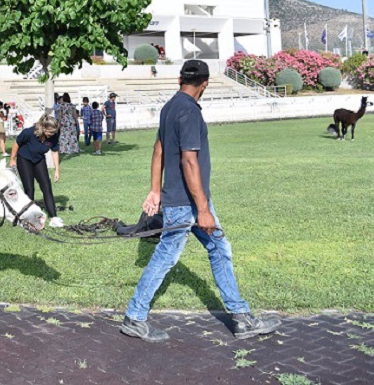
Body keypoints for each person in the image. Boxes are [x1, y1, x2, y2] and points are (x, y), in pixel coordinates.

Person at [120, 60, 281, 342]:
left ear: (180, 79)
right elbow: (189, 160)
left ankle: (241, 318)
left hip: (182, 199)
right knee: (166, 256)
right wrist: (203, 209)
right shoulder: (189, 111)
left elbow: (158, 150)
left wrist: (155, 190)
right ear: (205, 84)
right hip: (188, 203)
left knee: (219, 248)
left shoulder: (170, 107)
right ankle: (134, 317)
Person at [9, 113, 64, 228]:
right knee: (29, 188)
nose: (52, 135)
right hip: (24, 159)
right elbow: (16, 143)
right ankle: (27, 218)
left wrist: (57, 170)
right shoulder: (29, 132)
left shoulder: (54, 134)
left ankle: (54, 217)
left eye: (54, 133)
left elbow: (54, 152)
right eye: (50, 132)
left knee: (46, 187)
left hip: (39, 159)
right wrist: (12, 159)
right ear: (43, 128)